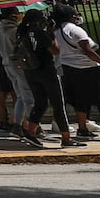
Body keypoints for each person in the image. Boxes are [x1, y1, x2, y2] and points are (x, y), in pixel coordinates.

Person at [53, 4, 100, 140]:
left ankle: (82, 129)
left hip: (69, 68)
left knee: (80, 100)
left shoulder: (56, 31)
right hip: (88, 68)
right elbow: (87, 50)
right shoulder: (75, 30)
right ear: (70, 16)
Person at [18, 8, 74, 147]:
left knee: (40, 103)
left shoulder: (21, 33)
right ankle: (66, 138)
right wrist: (52, 34)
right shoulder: (41, 33)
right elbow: (55, 50)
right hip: (47, 71)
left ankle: (31, 133)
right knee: (58, 105)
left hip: (30, 71)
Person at [0, 6, 33, 138]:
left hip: (7, 65)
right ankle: (33, 126)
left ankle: (17, 125)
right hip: (18, 65)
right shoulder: (14, 31)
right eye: (17, 12)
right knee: (28, 97)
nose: (20, 14)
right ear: (12, 15)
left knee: (21, 96)